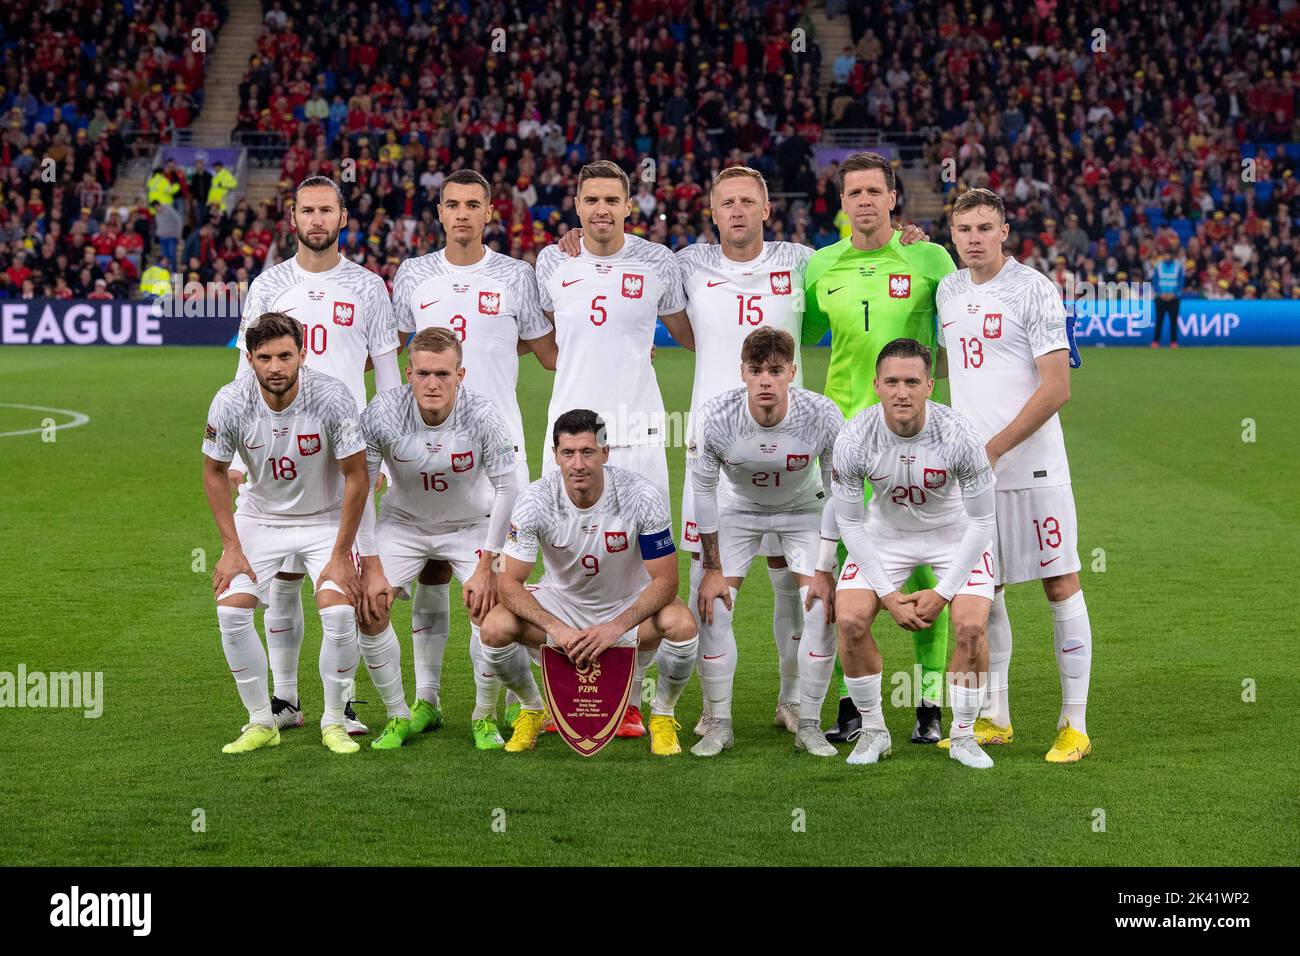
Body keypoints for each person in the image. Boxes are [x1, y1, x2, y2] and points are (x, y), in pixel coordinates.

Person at [230, 175, 401, 735]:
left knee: (340, 584)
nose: (318, 220)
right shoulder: (268, 284)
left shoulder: (370, 287)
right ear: (294, 217)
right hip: (278, 448)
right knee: (280, 576)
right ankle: (282, 699)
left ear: (343, 217)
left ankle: (342, 704)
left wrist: (387, 458)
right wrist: (238, 452)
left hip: (346, 454)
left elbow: (390, 379)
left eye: (328, 210)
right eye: (308, 210)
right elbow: (244, 369)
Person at [533, 160, 695, 736]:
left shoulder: (658, 262)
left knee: (639, 571)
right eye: (591, 199)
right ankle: (566, 691)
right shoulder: (552, 261)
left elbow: (691, 333)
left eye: (612, 200)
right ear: (575, 205)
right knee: (569, 563)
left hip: (640, 433)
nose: (601, 210)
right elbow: (549, 344)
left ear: (631, 206)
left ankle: (631, 697)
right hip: (570, 437)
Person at [391, 169, 556, 731]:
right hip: (427, 451)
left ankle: (495, 705)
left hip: (500, 450)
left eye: (474, 204)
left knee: (495, 579)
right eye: (452, 204)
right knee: (433, 570)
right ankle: (428, 701)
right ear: (439, 212)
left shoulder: (516, 274)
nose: (463, 213)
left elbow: (546, 348)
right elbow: (396, 357)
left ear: (491, 212)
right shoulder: (412, 274)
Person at [801, 150, 958, 744]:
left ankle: (929, 704)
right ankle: (851, 701)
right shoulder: (820, 267)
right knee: (849, 567)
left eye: (875, 191)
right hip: (846, 442)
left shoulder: (929, 258)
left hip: (919, 437)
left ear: (894, 198)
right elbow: (805, 331)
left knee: (925, 562)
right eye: (854, 193)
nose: (864, 201)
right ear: (842, 204)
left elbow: (961, 327)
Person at [937, 187, 1092, 762]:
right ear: (951, 236)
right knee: (990, 589)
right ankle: (996, 715)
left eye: (984, 228)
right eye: (964, 229)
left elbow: (1058, 387)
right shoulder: (948, 291)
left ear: (1004, 231)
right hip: (976, 476)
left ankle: (1073, 723)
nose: (974, 238)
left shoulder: (1034, 290)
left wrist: (995, 447)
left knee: (1059, 583)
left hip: (1036, 468)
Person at [199, 311, 371, 755]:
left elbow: (357, 476)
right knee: (231, 612)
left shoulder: (332, 397)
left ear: (302, 354)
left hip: (324, 519)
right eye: (264, 358)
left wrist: (342, 553)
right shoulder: (230, 400)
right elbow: (214, 471)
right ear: (251, 360)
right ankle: (261, 721)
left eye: (284, 356)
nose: (275, 367)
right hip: (260, 518)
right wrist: (231, 547)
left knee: (337, 614)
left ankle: (334, 720)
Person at [481, 409, 699, 755]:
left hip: (626, 604)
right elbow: (509, 581)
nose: (578, 463)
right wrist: (556, 629)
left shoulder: (640, 495)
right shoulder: (535, 500)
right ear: (555, 455)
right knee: (493, 628)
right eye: (568, 453)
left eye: (587, 452)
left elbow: (666, 581)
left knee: (682, 624)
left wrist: (615, 627)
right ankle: (532, 708)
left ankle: (662, 716)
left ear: (605, 453)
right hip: (562, 605)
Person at [831, 338, 998, 769]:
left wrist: (942, 593)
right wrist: (888, 595)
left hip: (955, 535)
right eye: (891, 382)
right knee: (848, 619)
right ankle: (874, 731)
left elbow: (983, 522)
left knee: (971, 629)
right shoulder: (854, 437)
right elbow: (849, 522)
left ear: (929, 386)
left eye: (911, 382)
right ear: (876, 386)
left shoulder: (959, 435)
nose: (901, 392)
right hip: (884, 535)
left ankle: (962, 736)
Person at [357, 328, 522, 749]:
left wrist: (488, 565)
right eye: (424, 373)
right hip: (405, 523)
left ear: (460, 374)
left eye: (444, 374)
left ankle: (484, 716)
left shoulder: (483, 415)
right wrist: (371, 564)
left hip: (471, 525)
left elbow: (508, 489)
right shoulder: (383, 412)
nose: (433, 384)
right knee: (369, 607)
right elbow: (360, 485)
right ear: (407, 372)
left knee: (490, 610)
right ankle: (404, 713)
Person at [687, 328, 843, 756]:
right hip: (737, 509)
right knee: (712, 605)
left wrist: (826, 570)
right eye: (756, 371)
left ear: (793, 371)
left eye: (775, 370)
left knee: (820, 606)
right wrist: (713, 569)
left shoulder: (823, 415)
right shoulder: (717, 416)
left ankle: (806, 719)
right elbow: (702, 493)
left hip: (801, 508)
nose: (765, 380)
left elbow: (838, 493)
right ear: (743, 372)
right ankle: (719, 722)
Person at [1150, 244, 1184, 348]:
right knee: (1159, 321)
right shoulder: (1158, 265)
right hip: (1161, 297)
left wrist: (1173, 294)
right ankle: (1156, 341)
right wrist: (1161, 293)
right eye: (1164, 255)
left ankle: (1173, 342)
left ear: (1171, 255)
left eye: (1167, 255)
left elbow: (1180, 281)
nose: (1165, 257)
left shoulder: (1178, 266)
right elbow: (1155, 281)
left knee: (1173, 321)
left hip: (1174, 298)